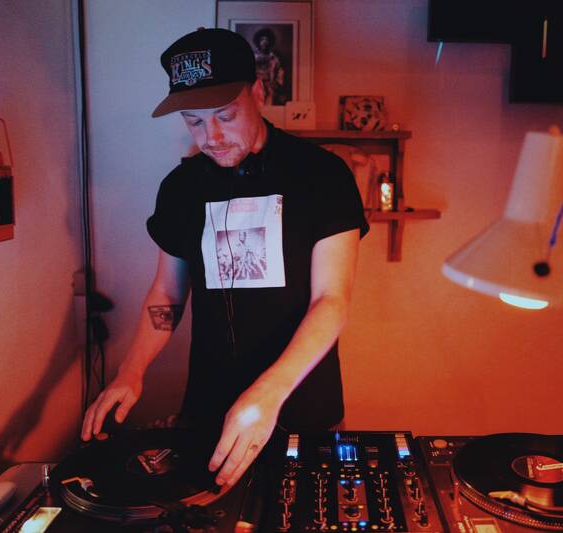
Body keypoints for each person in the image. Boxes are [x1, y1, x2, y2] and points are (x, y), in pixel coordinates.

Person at [80, 28, 368, 489]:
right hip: (208, 412)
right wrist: (130, 372)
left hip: (303, 407)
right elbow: (167, 294)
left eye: (225, 116)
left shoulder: (323, 175)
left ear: (258, 92)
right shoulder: (181, 188)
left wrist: (267, 394)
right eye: (193, 122)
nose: (211, 137)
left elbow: (331, 301)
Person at [252, 28, 286, 105]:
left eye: (266, 40)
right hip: (255, 87)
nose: (264, 42)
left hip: (269, 87)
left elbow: (280, 71)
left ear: (270, 42)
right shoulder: (252, 56)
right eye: (262, 40)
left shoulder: (274, 57)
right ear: (258, 41)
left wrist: (277, 83)